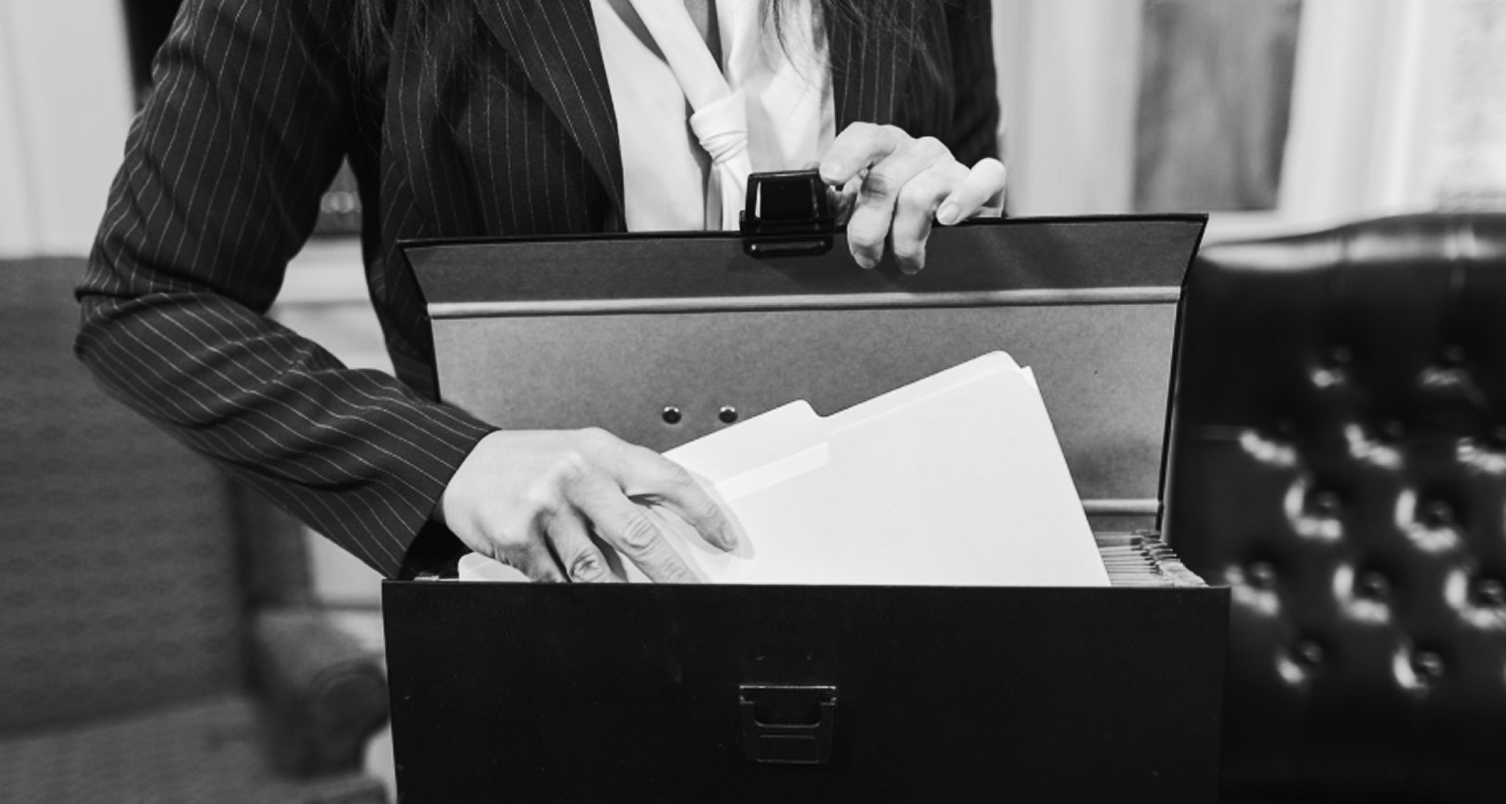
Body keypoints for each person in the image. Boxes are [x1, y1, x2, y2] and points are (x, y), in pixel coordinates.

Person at [76, 0, 1005, 584]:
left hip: (896, 583)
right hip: (554, 625)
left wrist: (955, 226)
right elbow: (148, 295)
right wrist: (451, 464)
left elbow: (968, 253)